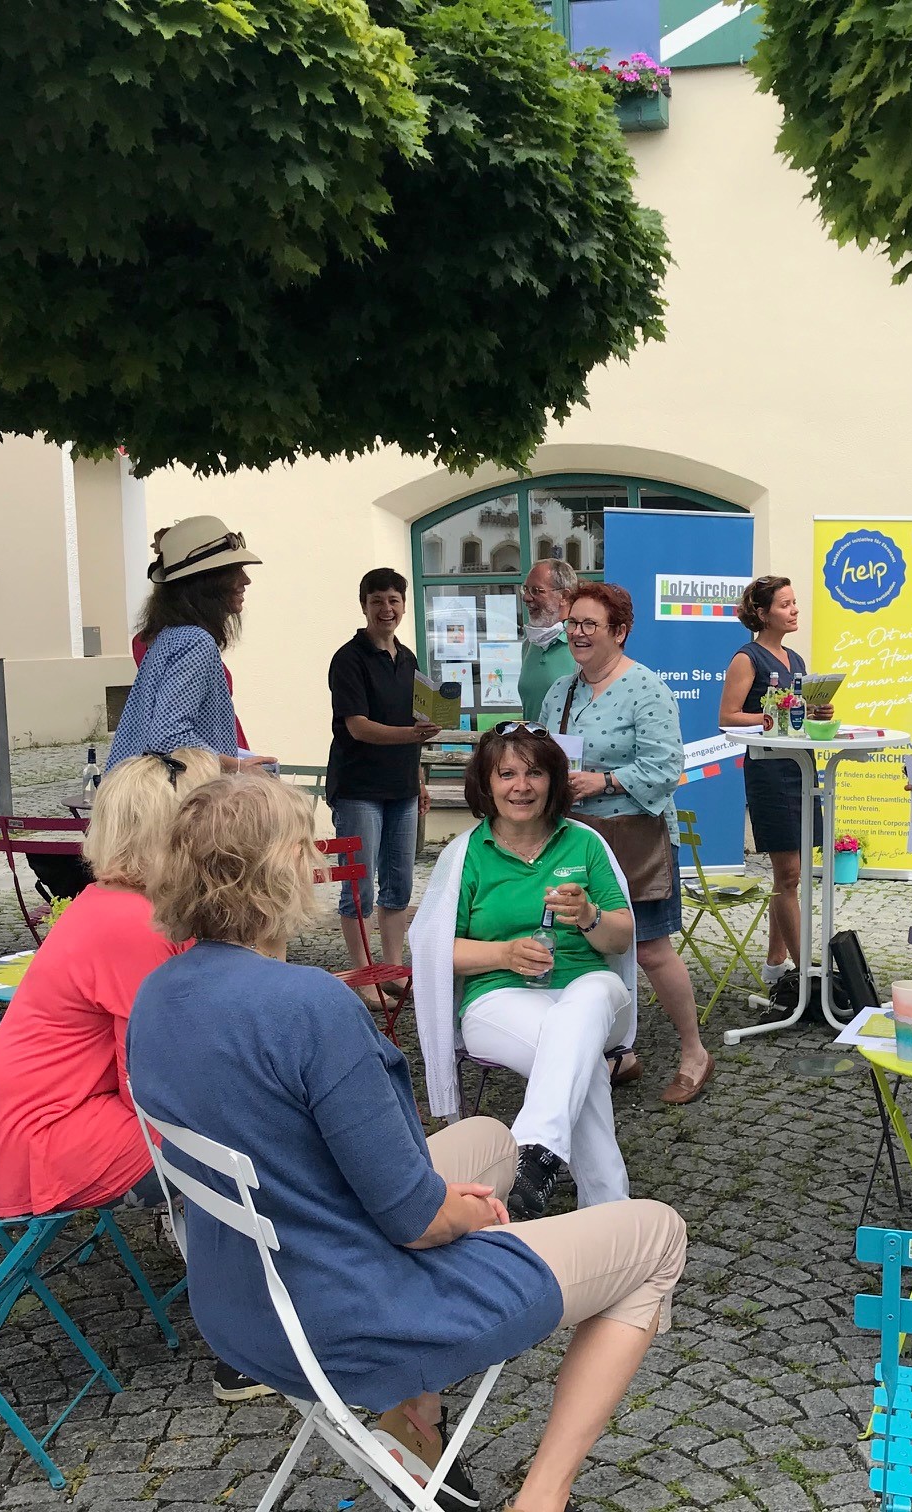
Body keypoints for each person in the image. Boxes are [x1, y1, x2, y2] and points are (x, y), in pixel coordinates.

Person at [128, 775, 687, 1510]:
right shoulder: (310, 1006)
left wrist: (445, 1200)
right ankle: (542, 1497)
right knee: (657, 1238)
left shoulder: (159, 993)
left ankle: (411, 1419)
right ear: (288, 867)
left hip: (239, 1301)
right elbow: (417, 1224)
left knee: (489, 1138)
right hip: (350, 1314)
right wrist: (466, 1213)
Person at [0, 749, 270, 1401]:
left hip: (46, 1124)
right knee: (238, 1147)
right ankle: (247, 1346)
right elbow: (160, 1080)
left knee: (243, 1128)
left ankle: (258, 1296)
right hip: (43, 1143)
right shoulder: (134, 921)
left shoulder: (122, 902)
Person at [408, 723, 637, 1221]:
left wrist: (589, 916)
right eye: (506, 774)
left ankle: (533, 1151)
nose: (521, 786)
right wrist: (504, 954)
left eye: (534, 772)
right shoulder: (466, 853)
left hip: (590, 991)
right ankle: (609, 1210)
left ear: (554, 780)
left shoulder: (585, 844)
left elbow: (622, 938)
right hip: (498, 998)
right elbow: (431, 951)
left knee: (592, 995)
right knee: (582, 1062)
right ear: (487, 785)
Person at [540, 584, 714, 1106]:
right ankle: (619, 1053)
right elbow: (547, 752)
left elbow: (666, 767)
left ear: (619, 631)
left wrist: (605, 782)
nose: (577, 632)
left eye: (590, 624)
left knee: (650, 949)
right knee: (587, 944)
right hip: (575, 838)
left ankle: (694, 1052)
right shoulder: (560, 692)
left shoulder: (647, 689)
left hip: (634, 837)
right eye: (572, 622)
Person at [327, 568, 440, 1006]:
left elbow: (416, 722)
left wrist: (419, 778)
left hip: (401, 788)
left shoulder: (408, 659)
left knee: (400, 884)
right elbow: (358, 727)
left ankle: (391, 970)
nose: (386, 609)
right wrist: (413, 737)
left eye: (394, 600)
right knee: (358, 886)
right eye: (377, 600)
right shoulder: (348, 659)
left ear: (404, 605)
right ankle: (362, 975)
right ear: (364, 605)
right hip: (358, 788)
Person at [109, 515, 277, 774]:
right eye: (235, 570)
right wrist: (239, 767)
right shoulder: (194, 640)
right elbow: (169, 737)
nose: (246, 581)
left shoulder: (168, 636)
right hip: (182, 802)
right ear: (209, 581)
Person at [718, 575, 820, 988]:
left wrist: (816, 713)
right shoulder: (748, 658)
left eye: (795, 602)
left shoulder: (795, 660)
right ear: (762, 613)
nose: (794, 610)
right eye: (785, 604)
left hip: (801, 768)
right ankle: (806, 973)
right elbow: (727, 716)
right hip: (770, 773)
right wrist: (768, 718)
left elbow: (797, 715)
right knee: (789, 872)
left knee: (790, 878)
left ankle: (775, 963)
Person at [519, 558, 581, 724]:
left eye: (536, 591)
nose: (526, 598)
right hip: (533, 747)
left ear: (564, 597)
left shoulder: (581, 643)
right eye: (525, 589)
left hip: (566, 749)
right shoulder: (530, 643)